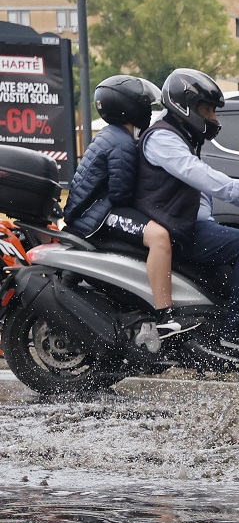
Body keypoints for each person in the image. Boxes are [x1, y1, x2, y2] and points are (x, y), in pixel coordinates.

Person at [136, 68, 239, 366]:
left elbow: (199, 192)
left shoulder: (182, 137)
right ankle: (236, 333)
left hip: (188, 223)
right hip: (177, 229)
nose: (213, 119)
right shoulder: (163, 139)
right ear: (184, 106)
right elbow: (200, 176)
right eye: (206, 110)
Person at [61, 75, 183, 353]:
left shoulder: (114, 136)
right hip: (96, 217)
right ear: (130, 107)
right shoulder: (122, 143)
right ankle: (166, 314)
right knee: (159, 236)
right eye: (145, 106)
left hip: (92, 213)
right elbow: (120, 195)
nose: (149, 113)